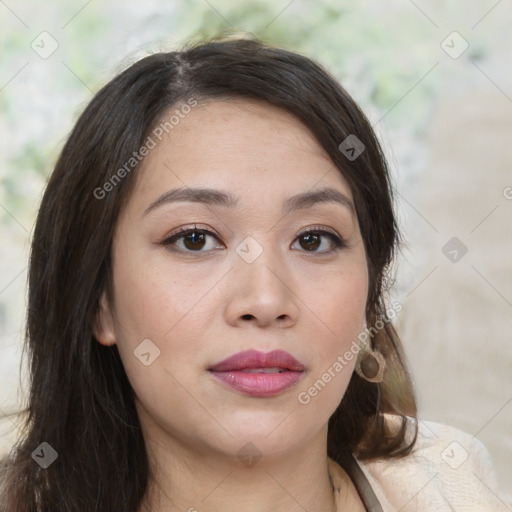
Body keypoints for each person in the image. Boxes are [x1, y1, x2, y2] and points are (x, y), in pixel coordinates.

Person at [0, 36, 502, 512]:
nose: (265, 299)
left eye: (314, 239)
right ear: (98, 300)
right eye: (194, 239)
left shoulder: (449, 486)